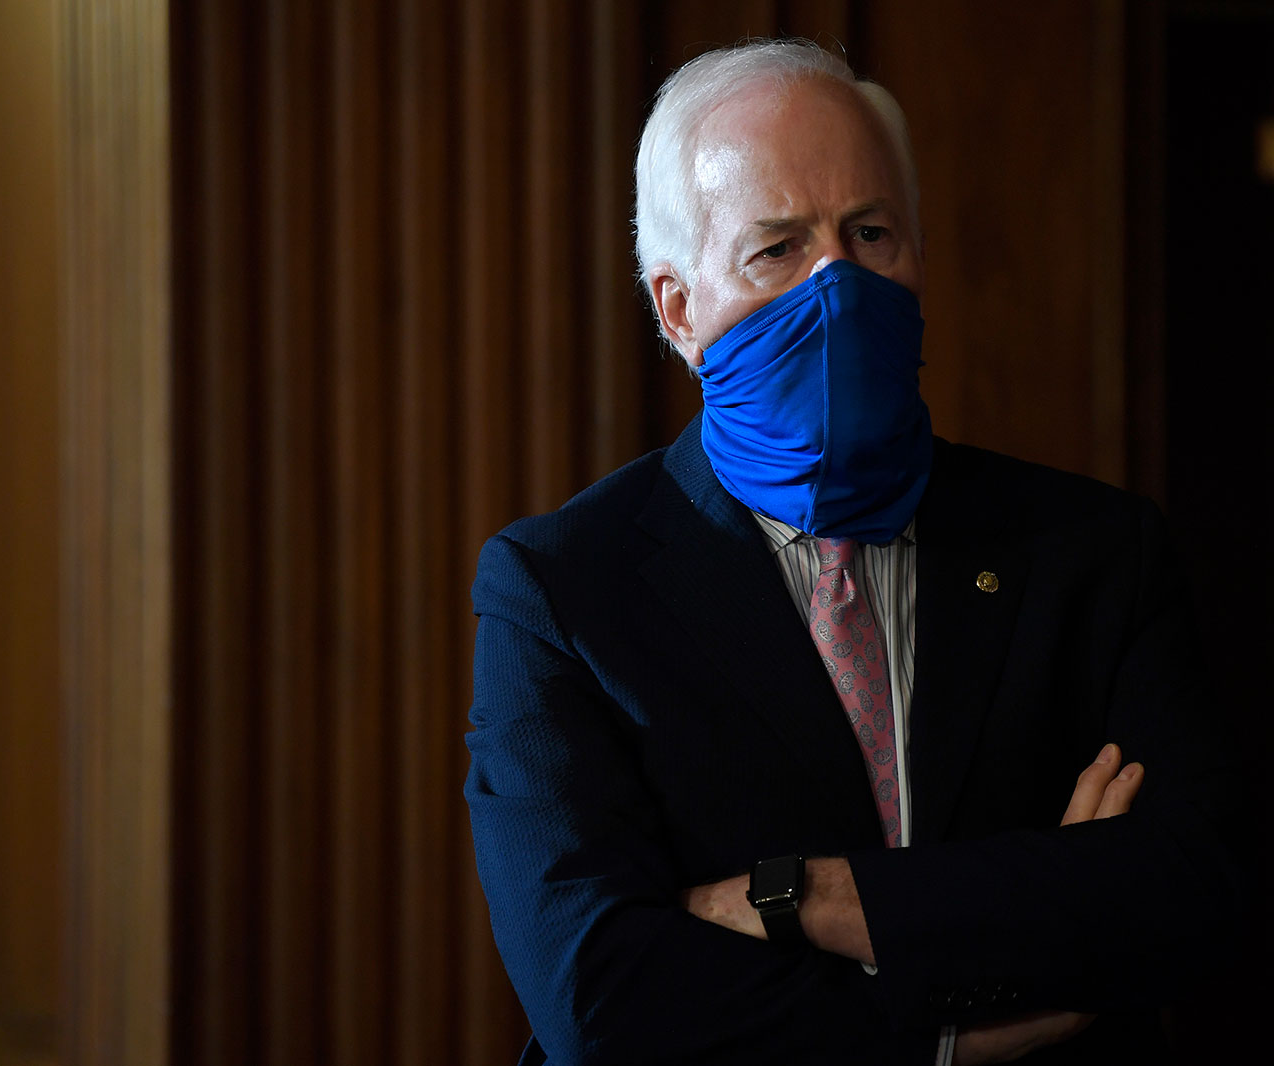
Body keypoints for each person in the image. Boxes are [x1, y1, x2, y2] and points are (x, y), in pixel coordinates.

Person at [464, 39, 1245, 1065]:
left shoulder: (1093, 553)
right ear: (679, 308)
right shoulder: (564, 590)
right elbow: (599, 999)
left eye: (869, 233)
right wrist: (955, 1026)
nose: (837, 284)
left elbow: (1192, 898)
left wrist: (824, 898)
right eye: (776, 248)